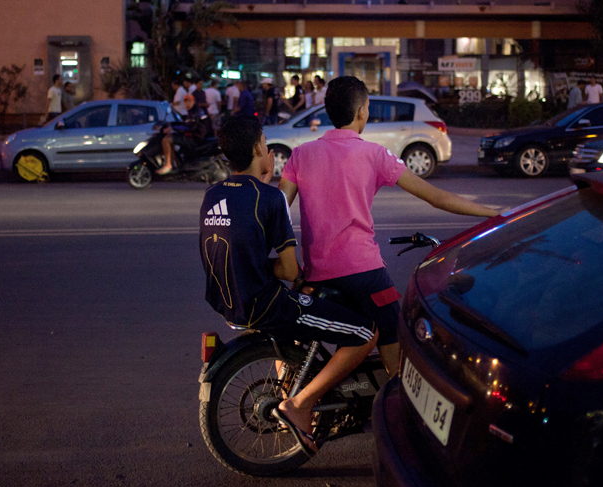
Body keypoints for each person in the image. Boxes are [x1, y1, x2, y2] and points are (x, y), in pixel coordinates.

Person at [277, 76, 501, 377]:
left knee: (303, 335)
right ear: (361, 113)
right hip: (364, 272)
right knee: (393, 337)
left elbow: (279, 211)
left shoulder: (300, 155)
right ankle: (395, 399)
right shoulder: (374, 154)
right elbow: (436, 197)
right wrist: (492, 213)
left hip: (317, 272)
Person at [200, 116, 378, 454]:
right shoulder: (270, 199)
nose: (269, 150)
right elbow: (288, 267)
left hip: (227, 303)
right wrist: (300, 276)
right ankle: (300, 404)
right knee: (365, 334)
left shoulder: (213, 195)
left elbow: (237, 247)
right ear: (257, 150)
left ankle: (291, 390)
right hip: (265, 304)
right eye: (266, 144)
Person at [158, 93, 210, 175]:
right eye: (186, 102)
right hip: (193, 136)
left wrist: (173, 128)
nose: (187, 104)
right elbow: (185, 124)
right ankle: (173, 164)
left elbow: (191, 127)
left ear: (193, 102)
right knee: (170, 138)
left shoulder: (195, 112)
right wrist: (170, 124)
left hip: (195, 138)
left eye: (189, 101)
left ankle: (168, 165)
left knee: (166, 140)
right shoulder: (191, 112)